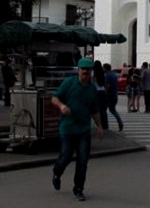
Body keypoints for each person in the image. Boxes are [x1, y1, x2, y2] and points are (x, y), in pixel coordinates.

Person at [51, 58, 104, 202]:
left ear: (91, 72)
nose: (85, 72)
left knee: (82, 160)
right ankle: (57, 172)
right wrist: (62, 106)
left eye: (88, 70)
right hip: (67, 128)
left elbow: (95, 110)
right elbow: (54, 98)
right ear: (78, 71)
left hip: (83, 130)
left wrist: (99, 126)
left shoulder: (92, 89)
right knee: (66, 156)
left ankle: (78, 189)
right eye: (83, 70)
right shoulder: (69, 83)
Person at [102, 63, 123, 131]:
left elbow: (107, 86)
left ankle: (105, 125)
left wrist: (104, 93)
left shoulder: (108, 75)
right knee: (113, 110)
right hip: (114, 95)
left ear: (105, 68)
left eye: (103, 67)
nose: (102, 69)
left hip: (109, 95)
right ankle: (120, 123)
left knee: (103, 110)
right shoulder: (114, 75)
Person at [92, 61, 109, 129]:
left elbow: (92, 83)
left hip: (96, 92)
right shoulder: (103, 73)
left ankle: (99, 124)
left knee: (97, 109)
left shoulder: (93, 73)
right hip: (102, 92)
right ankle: (105, 125)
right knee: (103, 109)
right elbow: (104, 84)